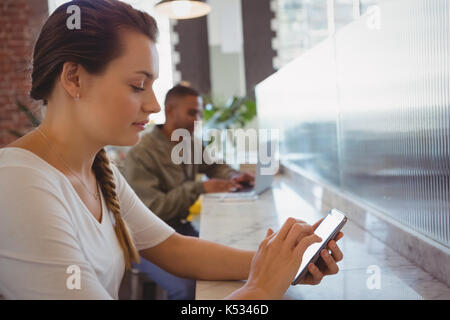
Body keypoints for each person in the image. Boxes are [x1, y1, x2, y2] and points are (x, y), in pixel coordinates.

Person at [0, 0, 343, 300]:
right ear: (74, 78)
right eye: (138, 85)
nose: (152, 104)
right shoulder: (18, 184)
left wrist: (280, 261)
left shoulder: (97, 172)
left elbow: (175, 249)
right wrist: (260, 291)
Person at [123, 84, 255, 299]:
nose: (198, 119)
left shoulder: (190, 143)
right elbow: (153, 210)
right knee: (189, 289)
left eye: (200, 113)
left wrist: (232, 175)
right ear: (170, 111)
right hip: (144, 241)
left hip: (178, 229)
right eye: (192, 112)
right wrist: (199, 187)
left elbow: (213, 166)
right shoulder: (141, 154)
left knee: (227, 266)